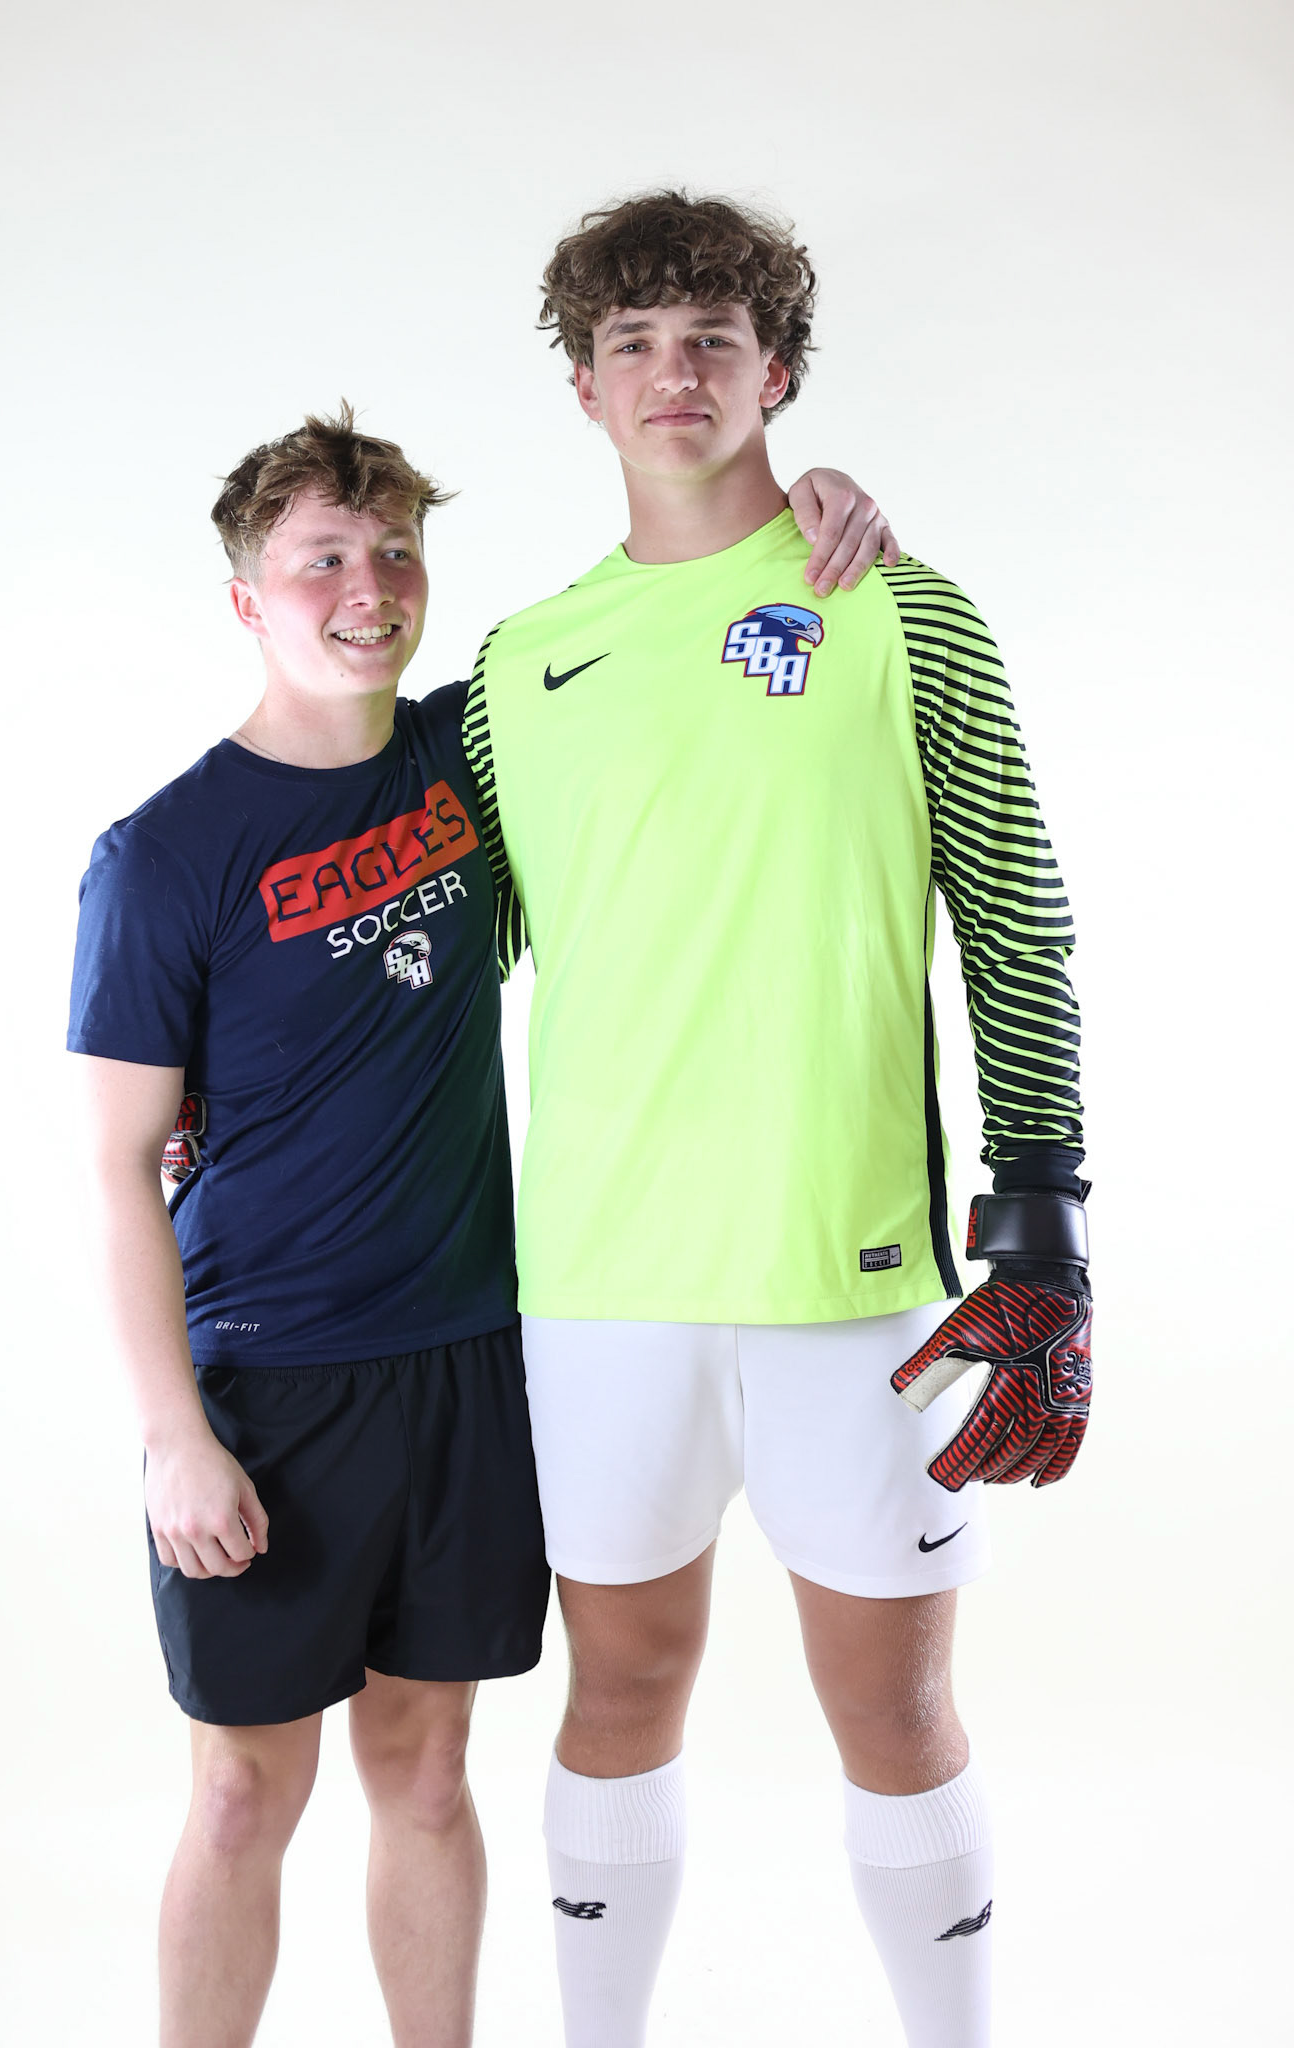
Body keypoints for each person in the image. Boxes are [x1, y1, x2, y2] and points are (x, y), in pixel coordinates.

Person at [68, 402, 898, 2048]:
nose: (368, 587)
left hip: (466, 1358)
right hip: (267, 1386)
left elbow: (669, 673)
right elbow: (113, 1167)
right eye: (322, 561)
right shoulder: (160, 857)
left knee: (428, 1773)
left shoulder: (476, 750)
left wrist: (804, 513)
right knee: (243, 1795)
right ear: (249, 597)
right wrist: (173, 1434)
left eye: (394, 551)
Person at [460, 191, 1092, 2048]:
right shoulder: (515, 669)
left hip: (855, 1268)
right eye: (636, 342)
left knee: (894, 1713)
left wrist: (1042, 1207)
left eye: (713, 338)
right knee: (618, 1690)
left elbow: (1015, 905)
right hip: (597, 1270)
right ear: (584, 390)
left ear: (777, 374)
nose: (676, 370)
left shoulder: (903, 608)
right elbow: (439, 939)